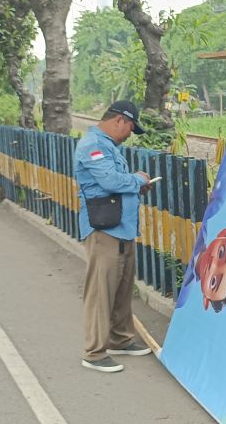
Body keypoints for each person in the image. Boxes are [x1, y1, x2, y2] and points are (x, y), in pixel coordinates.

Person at [74, 100, 154, 373]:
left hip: (122, 227)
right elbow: (110, 181)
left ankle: (120, 338)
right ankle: (94, 352)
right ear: (119, 120)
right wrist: (139, 180)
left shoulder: (109, 146)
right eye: (131, 127)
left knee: (121, 288)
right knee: (100, 291)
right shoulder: (92, 146)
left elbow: (118, 182)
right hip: (103, 229)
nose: (130, 134)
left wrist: (136, 186)